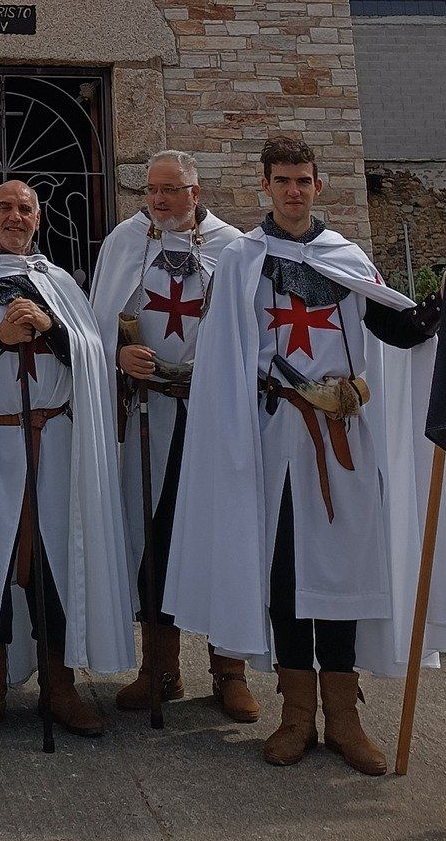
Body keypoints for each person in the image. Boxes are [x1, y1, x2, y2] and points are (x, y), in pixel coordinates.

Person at [167, 132, 446, 775]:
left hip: (341, 440)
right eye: (283, 180)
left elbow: (393, 328)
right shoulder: (242, 261)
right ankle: (296, 717)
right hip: (273, 440)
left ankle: (344, 720)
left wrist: (443, 306)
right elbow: (223, 360)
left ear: (318, 186)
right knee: (286, 575)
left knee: (344, 575)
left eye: (303, 181)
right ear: (265, 185)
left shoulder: (345, 258)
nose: (293, 191)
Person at [0, 179, 134, 741]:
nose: (14, 216)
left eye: (24, 209)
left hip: (55, 444)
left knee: (56, 562)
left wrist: (53, 329)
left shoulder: (60, 283)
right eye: (4, 208)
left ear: (37, 217)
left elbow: (92, 357)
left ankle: (61, 686)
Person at [88, 151, 251, 720]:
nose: (158, 200)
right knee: (154, 538)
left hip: (213, 417)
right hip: (150, 413)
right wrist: (118, 354)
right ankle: (160, 668)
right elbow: (96, 321)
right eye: (151, 190)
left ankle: (229, 671)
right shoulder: (125, 242)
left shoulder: (234, 248)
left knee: (220, 535)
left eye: (170, 190)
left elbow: (250, 329)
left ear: (195, 192)